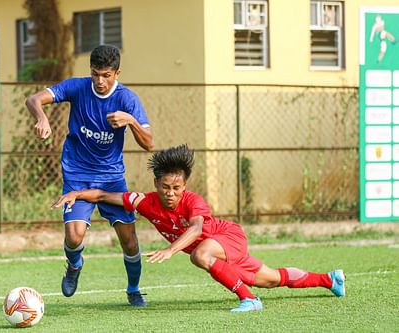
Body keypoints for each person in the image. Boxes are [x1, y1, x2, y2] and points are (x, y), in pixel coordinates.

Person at [51, 144, 346, 313]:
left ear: (184, 187)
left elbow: (196, 228)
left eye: (176, 187)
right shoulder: (145, 201)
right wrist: (76, 194)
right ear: (156, 185)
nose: (170, 192)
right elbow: (104, 196)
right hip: (217, 252)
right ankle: (330, 280)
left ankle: (250, 301)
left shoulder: (193, 201)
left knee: (200, 255)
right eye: (165, 186)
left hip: (226, 237)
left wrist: (171, 249)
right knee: (269, 278)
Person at [26, 45, 154, 307]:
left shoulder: (128, 100)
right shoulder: (77, 87)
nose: (100, 80)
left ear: (117, 73)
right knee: (74, 236)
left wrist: (130, 121)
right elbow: (34, 99)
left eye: (106, 75)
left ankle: (133, 289)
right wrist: (42, 118)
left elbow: (150, 144)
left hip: (111, 178)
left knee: (129, 241)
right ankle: (75, 265)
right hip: (77, 174)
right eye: (96, 74)